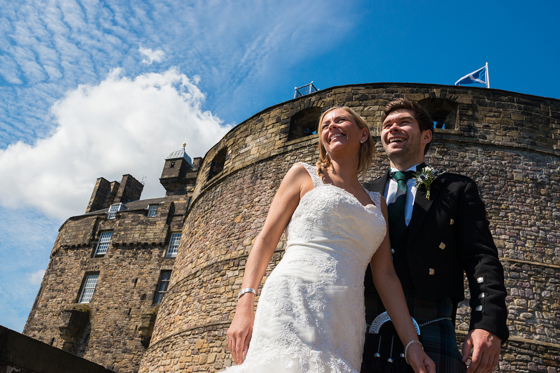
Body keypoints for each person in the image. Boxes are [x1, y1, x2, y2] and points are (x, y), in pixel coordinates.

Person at [224, 107, 435, 373]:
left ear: (363, 134)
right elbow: (266, 239)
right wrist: (245, 304)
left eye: (340, 120)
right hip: (292, 296)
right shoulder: (303, 175)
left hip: (346, 316)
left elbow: (386, 276)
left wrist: (411, 343)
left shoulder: (377, 203)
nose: (331, 126)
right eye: (325, 124)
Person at [362, 98, 509, 373]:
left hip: (430, 322)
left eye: (403, 122)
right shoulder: (362, 193)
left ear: (426, 135)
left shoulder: (455, 188)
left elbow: (481, 258)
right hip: (362, 322)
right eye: (386, 125)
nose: (392, 129)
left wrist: (487, 322)